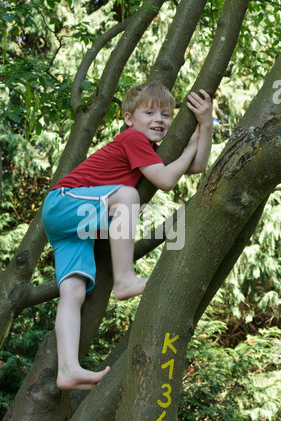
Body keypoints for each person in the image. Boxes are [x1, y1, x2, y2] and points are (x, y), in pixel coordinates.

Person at [42, 82, 213, 391]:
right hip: (65, 202)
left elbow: (197, 165)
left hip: (71, 223)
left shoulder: (148, 150)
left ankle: (68, 369)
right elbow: (164, 180)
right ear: (129, 119)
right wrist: (189, 146)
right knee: (126, 195)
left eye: (166, 113)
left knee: (73, 292)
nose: (159, 119)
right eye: (149, 112)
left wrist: (205, 124)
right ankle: (124, 279)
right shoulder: (133, 139)